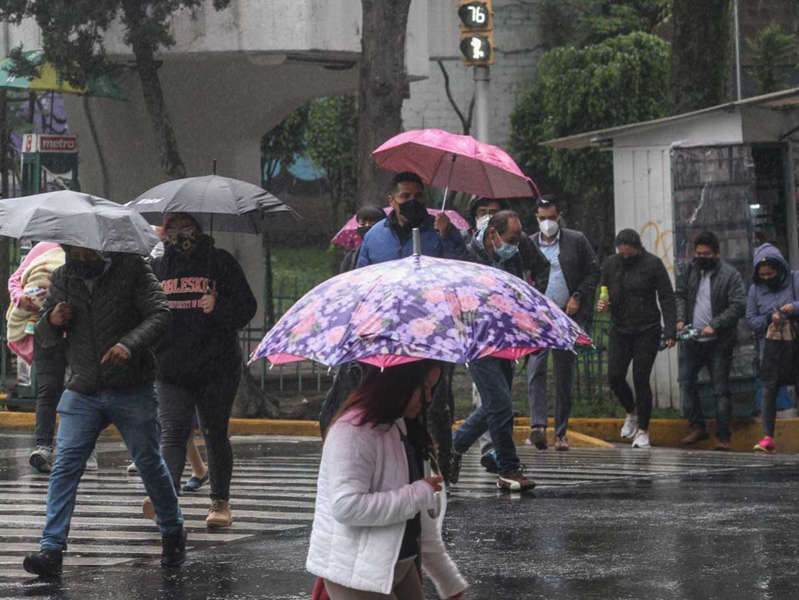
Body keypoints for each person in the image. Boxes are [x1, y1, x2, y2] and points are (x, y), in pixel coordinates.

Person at [23, 245, 185, 577]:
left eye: (88, 254)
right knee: (65, 465)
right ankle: (51, 549)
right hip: (83, 387)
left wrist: (129, 345)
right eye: (76, 254)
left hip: (132, 387)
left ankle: (172, 531)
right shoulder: (64, 277)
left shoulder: (134, 270)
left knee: (148, 461)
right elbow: (44, 335)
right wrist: (52, 321)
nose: (83, 260)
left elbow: (161, 315)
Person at [307, 360, 468, 600]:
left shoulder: (404, 429)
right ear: (399, 384)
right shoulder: (352, 431)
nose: (428, 398)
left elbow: (420, 525)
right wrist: (417, 493)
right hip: (357, 574)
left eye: (432, 389)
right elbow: (347, 506)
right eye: (424, 389)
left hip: (399, 564)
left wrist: (449, 582)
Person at [355, 171, 466, 482]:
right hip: (387, 334)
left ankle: (443, 467)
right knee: (392, 402)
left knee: (435, 403)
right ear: (391, 201)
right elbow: (360, 280)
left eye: (418, 196)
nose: (412, 201)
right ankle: (398, 469)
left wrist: (448, 237)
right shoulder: (376, 236)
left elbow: (465, 271)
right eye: (405, 196)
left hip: (432, 333)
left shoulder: (440, 231)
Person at [149, 213, 257, 528]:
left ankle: (220, 503)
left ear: (198, 229)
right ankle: (166, 502)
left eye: (188, 227)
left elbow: (247, 307)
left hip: (217, 367)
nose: (181, 234)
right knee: (172, 433)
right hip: (171, 367)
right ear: (164, 233)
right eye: (173, 228)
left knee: (214, 432)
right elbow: (144, 313)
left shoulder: (220, 263)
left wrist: (218, 306)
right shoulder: (158, 269)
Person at [450, 210, 535, 491]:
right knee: (500, 405)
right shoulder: (468, 255)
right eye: (511, 238)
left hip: (503, 337)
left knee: (492, 405)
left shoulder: (512, 258)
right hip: (477, 338)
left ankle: (452, 448)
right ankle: (508, 468)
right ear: (493, 234)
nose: (515, 244)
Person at [5, 242, 98, 474]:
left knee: (81, 392)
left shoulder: (92, 252)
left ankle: (85, 449)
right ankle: (43, 447)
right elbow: (15, 279)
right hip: (47, 331)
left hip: (81, 334)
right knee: (48, 390)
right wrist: (21, 298)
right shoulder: (43, 248)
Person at [526, 197, 600, 451]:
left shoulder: (576, 241)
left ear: (560, 216)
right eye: (542, 218)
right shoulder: (529, 243)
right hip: (539, 317)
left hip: (567, 316)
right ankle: (537, 426)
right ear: (536, 218)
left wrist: (577, 296)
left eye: (551, 217)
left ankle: (560, 433)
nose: (547, 223)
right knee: (535, 367)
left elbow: (593, 272)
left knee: (563, 373)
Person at [597, 229, 676, 449]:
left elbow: (667, 296)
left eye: (629, 253)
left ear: (637, 248)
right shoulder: (611, 264)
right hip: (620, 328)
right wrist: (604, 303)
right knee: (615, 375)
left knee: (641, 377)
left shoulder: (652, 264)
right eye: (621, 253)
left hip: (646, 329)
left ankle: (643, 430)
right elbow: (605, 290)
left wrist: (670, 330)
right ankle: (631, 410)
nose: (625, 257)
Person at [676, 231, 746, 451]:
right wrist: (680, 319)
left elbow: (738, 305)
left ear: (716, 253)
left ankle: (723, 437)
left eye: (706, 254)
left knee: (720, 389)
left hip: (719, 342)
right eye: (698, 254)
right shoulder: (690, 271)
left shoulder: (730, 275)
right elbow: (681, 295)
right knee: (686, 382)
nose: (701, 257)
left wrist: (715, 325)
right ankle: (697, 426)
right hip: (692, 338)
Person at [745, 243, 799, 454]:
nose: (767, 278)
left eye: (771, 273)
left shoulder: (795, 279)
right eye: (763, 274)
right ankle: (768, 437)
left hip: (794, 347)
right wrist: (769, 317)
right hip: (770, 350)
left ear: (780, 269)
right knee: (769, 390)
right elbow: (751, 320)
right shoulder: (755, 290)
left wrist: (793, 308)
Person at [339, 205, 385, 273]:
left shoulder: (392, 249)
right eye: (363, 224)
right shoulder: (353, 255)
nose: (367, 226)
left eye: (372, 224)